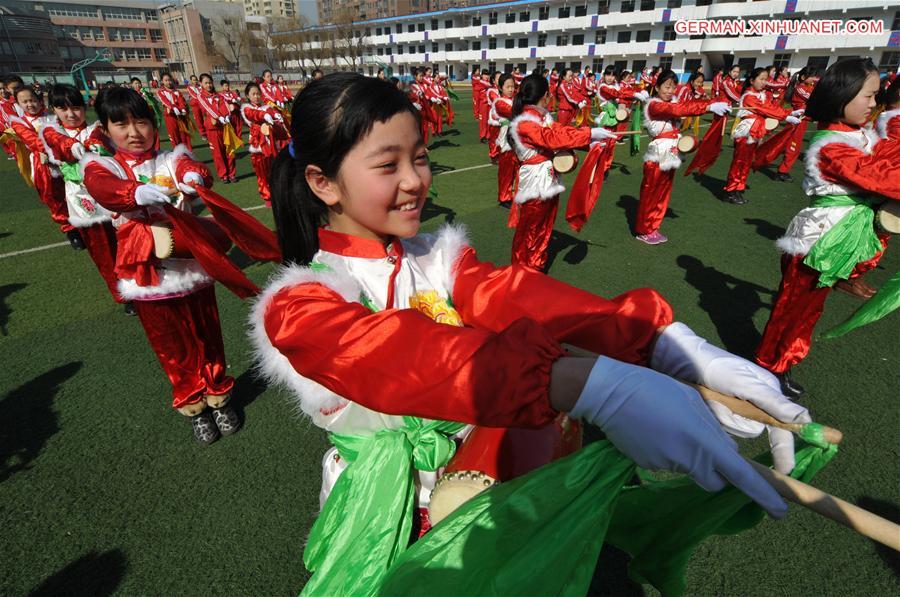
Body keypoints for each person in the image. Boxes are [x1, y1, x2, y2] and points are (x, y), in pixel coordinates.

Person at [251, 72, 809, 595]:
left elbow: (519, 295)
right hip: (388, 500)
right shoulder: (301, 304)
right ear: (323, 183)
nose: (415, 181)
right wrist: (590, 383)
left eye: (419, 159)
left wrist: (669, 344)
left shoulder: (436, 260)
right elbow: (399, 355)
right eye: (387, 164)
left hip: (484, 479)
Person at [80, 87, 243, 443]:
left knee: (208, 331)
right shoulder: (104, 164)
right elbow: (99, 185)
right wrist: (133, 193)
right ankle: (193, 403)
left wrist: (194, 176)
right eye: (121, 124)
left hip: (187, 258)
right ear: (106, 130)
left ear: (154, 125)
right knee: (171, 344)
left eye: (141, 121)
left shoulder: (169, 158)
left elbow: (189, 165)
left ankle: (219, 393)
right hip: (145, 268)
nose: (134, 132)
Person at [754, 58, 899, 397]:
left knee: (805, 310)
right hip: (817, 241)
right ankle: (768, 368)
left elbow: (887, 153)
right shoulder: (831, 145)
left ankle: (780, 364)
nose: (874, 104)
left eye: (878, 96)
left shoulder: (857, 134)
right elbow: (881, 175)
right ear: (842, 94)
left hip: (834, 239)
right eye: (868, 96)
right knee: (793, 310)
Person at [508, 75, 616, 270]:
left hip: (546, 178)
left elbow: (561, 132)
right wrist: (589, 134)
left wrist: (590, 140)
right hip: (535, 181)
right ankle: (524, 270)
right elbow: (550, 138)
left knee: (544, 227)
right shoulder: (524, 123)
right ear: (545, 96)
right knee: (532, 229)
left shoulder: (542, 118)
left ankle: (535, 266)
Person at [39, 84, 127, 310]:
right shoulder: (51, 131)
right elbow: (59, 143)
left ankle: (140, 282)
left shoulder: (96, 128)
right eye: (63, 109)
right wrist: (73, 146)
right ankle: (124, 296)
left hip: (110, 194)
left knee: (128, 241)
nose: (71, 114)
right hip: (82, 199)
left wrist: (94, 145)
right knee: (102, 250)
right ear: (53, 110)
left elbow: (99, 138)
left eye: (76, 108)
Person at [635, 70, 731, 245]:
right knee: (651, 193)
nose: (671, 90)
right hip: (657, 155)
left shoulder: (671, 101)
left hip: (670, 154)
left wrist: (714, 103)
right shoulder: (654, 105)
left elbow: (685, 105)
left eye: (673, 87)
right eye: (667, 87)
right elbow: (679, 109)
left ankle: (653, 226)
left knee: (663, 193)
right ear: (656, 87)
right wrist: (709, 107)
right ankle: (644, 229)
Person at [8, 86, 81, 249]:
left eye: (32, 100)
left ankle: (84, 223)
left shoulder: (53, 116)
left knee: (75, 192)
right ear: (18, 104)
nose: (30, 104)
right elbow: (34, 141)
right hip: (43, 166)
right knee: (55, 200)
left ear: (40, 100)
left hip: (66, 160)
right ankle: (72, 231)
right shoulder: (19, 122)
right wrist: (55, 145)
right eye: (24, 102)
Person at [723, 67, 800, 205]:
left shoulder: (760, 95)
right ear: (752, 80)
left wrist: (789, 112)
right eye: (761, 79)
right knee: (739, 162)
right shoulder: (749, 96)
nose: (764, 82)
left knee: (746, 162)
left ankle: (738, 188)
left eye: (766, 79)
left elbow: (771, 107)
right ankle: (730, 190)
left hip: (755, 132)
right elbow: (764, 109)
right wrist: (786, 116)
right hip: (746, 133)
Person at [241, 81, 287, 206]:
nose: (256, 96)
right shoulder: (246, 108)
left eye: (258, 94)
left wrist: (279, 116)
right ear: (248, 95)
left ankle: (277, 192)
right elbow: (253, 114)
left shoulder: (266, 107)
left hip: (270, 143)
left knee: (274, 169)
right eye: (253, 94)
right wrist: (265, 115)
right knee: (261, 173)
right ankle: (267, 196)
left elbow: (274, 114)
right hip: (258, 145)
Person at [774, 66, 821, 182]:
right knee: (793, 146)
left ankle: (782, 169)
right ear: (804, 77)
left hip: (802, 120)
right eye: (812, 76)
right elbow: (813, 100)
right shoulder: (801, 88)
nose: (815, 79)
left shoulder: (808, 86)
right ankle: (782, 171)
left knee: (791, 145)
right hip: (798, 120)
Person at [197, 73, 237, 183]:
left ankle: (232, 174)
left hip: (224, 127)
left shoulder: (219, 96)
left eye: (210, 83)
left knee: (229, 150)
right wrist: (219, 117)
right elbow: (208, 108)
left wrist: (227, 116)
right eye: (206, 83)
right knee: (218, 154)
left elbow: (226, 106)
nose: (209, 85)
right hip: (212, 129)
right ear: (201, 84)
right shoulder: (200, 96)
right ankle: (224, 175)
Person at [492, 73, 517, 205]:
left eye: (512, 86)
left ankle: (513, 194)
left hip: (516, 139)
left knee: (516, 169)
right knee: (506, 170)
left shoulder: (515, 100)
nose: (511, 89)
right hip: (506, 140)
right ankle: (504, 197)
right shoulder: (500, 102)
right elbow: (513, 112)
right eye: (508, 87)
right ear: (501, 88)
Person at [156, 72, 192, 151]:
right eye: (166, 80)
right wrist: (173, 107)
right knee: (174, 135)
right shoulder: (160, 92)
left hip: (180, 115)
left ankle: (188, 152)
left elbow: (181, 101)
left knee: (184, 135)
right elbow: (165, 101)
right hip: (170, 117)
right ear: (162, 81)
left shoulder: (177, 91)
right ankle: (178, 153)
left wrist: (183, 108)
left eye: (170, 80)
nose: (168, 82)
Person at [185, 74, 206, 141]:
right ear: (191, 81)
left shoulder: (200, 87)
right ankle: (203, 134)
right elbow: (194, 95)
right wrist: (201, 97)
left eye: (196, 80)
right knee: (199, 120)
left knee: (206, 118)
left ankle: (208, 131)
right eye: (194, 80)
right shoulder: (189, 87)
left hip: (202, 104)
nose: (195, 81)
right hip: (196, 106)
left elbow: (204, 93)